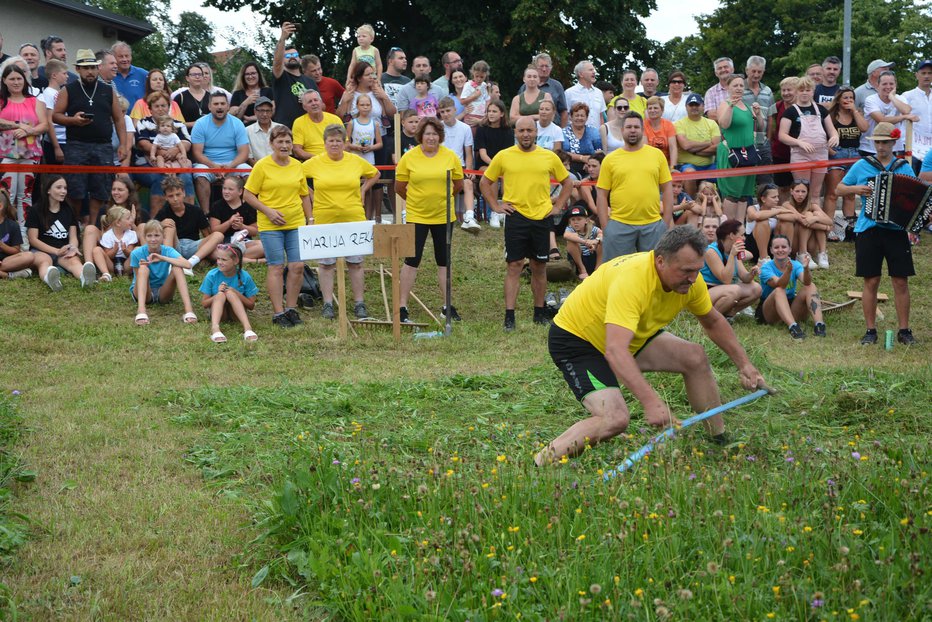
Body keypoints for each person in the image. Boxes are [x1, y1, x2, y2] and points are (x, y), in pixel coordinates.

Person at [537, 225, 766, 465]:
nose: (693, 278)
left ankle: (719, 440)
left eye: (697, 270)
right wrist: (651, 402)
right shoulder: (633, 281)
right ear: (660, 262)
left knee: (694, 356)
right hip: (579, 342)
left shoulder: (691, 280)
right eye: (686, 271)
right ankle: (541, 462)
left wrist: (745, 365)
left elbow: (713, 321)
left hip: (628, 335)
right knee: (615, 419)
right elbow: (615, 351)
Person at [479, 117, 573, 331]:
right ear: (515, 133)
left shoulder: (548, 156)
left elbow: (567, 182)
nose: (526, 134)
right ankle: (509, 317)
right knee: (514, 266)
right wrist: (495, 205)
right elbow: (485, 181)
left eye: (529, 130)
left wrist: (558, 206)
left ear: (536, 132)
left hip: (541, 217)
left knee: (539, 266)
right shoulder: (504, 156)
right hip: (516, 216)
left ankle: (539, 313)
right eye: (521, 130)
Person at [836, 122, 919, 346]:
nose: (881, 147)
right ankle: (870, 330)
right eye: (878, 142)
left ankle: (904, 330)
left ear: (893, 143)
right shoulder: (862, 165)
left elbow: (915, 194)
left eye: (885, 142)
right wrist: (857, 190)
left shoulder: (903, 166)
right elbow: (839, 189)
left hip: (896, 230)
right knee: (871, 280)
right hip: (868, 228)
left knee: (900, 281)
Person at [302, 124, 380, 321]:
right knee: (326, 263)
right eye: (331, 140)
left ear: (345, 142)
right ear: (325, 143)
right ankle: (328, 303)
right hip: (324, 218)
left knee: (355, 262)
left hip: (353, 217)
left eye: (338, 140)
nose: (334, 144)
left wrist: (363, 190)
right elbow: (297, 177)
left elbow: (375, 174)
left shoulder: (355, 160)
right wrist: (310, 194)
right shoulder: (314, 162)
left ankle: (359, 302)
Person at [394, 117, 464, 323]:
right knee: (411, 260)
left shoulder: (450, 157)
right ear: (420, 136)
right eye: (427, 134)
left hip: (444, 216)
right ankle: (402, 306)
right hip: (417, 216)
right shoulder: (409, 157)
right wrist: (416, 201)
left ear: (440, 136)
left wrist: (442, 199)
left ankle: (447, 305)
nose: (431, 137)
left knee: (444, 261)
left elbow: (458, 185)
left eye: (434, 134)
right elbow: (399, 187)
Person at [244, 125, 312, 328]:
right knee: (275, 266)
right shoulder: (262, 166)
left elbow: (304, 194)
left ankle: (291, 308)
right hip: (270, 224)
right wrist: (268, 211)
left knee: (297, 266)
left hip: (295, 222)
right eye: (280, 142)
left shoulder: (297, 165)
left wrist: (310, 219)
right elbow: (248, 195)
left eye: (288, 141)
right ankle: (278, 312)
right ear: (272, 144)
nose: (284, 145)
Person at [52, 49, 128, 226]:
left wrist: (123, 144)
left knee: (100, 190)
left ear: (98, 68)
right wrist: (73, 120)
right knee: (75, 191)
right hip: (76, 145)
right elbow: (56, 115)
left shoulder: (108, 90)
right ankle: (74, 227)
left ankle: (93, 227)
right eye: (85, 68)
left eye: (93, 67)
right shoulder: (68, 90)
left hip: (103, 146)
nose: (90, 72)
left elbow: (119, 119)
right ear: (78, 69)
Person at [597, 112, 673, 260]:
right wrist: (606, 227)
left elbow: (667, 188)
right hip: (619, 224)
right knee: (618, 271)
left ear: (642, 130)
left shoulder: (657, 155)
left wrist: (666, 221)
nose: (632, 130)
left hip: (653, 225)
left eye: (636, 127)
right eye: (629, 127)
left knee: (653, 272)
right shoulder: (610, 159)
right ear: (622, 130)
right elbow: (601, 194)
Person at [25, 175, 96, 290]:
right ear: (48, 190)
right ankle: (50, 279)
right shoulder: (35, 210)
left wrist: (72, 248)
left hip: (63, 250)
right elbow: (33, 239)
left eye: (65, 188)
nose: (63, 191)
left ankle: (85, 278)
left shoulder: (68, 209)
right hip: (41, 250)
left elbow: (73, 236)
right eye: (59, 187)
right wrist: (56, 251)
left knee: (74, 262)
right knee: (45, 261)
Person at [778, 76, 839, 211]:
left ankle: (815, 221)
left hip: (820, 155)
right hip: (800, 155)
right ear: (796, 92)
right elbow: (782, 135)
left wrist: (835, 137)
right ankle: (801, 220)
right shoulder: (791, 111)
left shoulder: (821, 110)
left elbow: (832, 131)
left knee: (816, 193)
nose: (804, 93)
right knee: (801, 191)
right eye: (801, 90)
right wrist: (799, 142)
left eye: (808, 90)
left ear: (813, 91)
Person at [0, 64, 47, 226]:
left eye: (19, 78)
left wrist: (29, 131)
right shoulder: (1, 101)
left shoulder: (35, 101)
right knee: (6, 196)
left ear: (24, 80)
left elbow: (44, 125)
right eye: (12, 79)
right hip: (6, 155)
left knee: (25, 196)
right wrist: (18, 125)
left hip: (30, 155)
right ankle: (4, 233)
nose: (16, 82)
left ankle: (23, 237)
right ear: (4, 80)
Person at [190, 91, 251, 213]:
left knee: (249, 173)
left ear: (228, 106)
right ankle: (206, 215)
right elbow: (197, 153)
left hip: (233, 164)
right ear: (209, 106)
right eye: (216, 103)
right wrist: (214, 166)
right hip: (208, 163)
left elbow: (244, 152)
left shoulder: (237, 123)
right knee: (200, 174)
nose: (219, 106)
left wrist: (229, 166)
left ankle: (248, 212)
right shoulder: (200, 124)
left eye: (223, 103)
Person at [133, 92, 195, 211]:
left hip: (176, 162)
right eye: (156, 106)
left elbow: (187, 143)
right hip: (147, 165)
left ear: (168, 107)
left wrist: (175, 150)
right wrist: (160, 153)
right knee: (160, 178)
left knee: (186, 178)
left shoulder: (178, 124)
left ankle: (189, 216)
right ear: (150, 109)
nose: (160, 109)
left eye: (163, 106)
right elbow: (143, 143)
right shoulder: (143, 123)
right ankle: (156, 219)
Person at [129, 219, 197, 326]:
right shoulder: (137, 253)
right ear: (145, 237)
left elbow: (187, 265)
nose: (153, 239)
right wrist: (145, 266)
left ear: (163, 236)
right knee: (143, 269)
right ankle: (141, 311)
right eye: (149, 236)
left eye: (156, 235)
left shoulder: (167, 250)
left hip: (162, 291)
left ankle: (189, 310)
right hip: (144, 291)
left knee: (177, 268)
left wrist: (162, 258)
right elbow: (138, 277)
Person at [757, 234, 825, 339]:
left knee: (810, 286)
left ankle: (819, 325)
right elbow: (779, 284)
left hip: (790, 305)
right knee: (779, 290)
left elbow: (806, 282)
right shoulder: (766, 268)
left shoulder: (796, 264)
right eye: (776, 247)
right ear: (771, 250)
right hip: (770, 309)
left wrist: (806, 269)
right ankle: (793, 327)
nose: (780, 250)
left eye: (784, 247)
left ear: (790, 250)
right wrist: (788, 271)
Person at [715, 74, 761, 224]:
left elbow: (760, 126)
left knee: (744, 193)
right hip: (731, 153)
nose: (739, 88)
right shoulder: (725, 104)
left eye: (741, 85)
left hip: (748, 154)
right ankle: (729, 226)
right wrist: (730, 107)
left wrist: (759, 114)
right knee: (732, 193)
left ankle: (740, 227)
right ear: (728, 88)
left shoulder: (748, 106)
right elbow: (724, 124)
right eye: (735, 85)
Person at [824, 86, 868, 236]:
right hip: (838, 154)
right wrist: (830, 151)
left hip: (855, 155)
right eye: (845, 98)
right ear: (838, 99)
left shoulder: (857, 113)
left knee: (850, 193)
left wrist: (855, 111)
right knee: (833, 193)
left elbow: (864, 128)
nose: (848, 100)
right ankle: (829, 228)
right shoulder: (831, 115)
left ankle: (849, 228)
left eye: (851, 98)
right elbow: (823, 134)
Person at [155, 176, 223, 270]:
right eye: (171, 196)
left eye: (178, 194)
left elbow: (207, 234)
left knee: (218, 235)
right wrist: (160, 225)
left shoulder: (196, 210)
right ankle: (167, 265)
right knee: (169, 225)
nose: (175, 199)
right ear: (166, 197)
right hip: (175, 246)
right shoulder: (163, 212)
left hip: (193, 245)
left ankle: (191, 262)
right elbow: (151, 231)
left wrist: (209, 245)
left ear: (183, 193)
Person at [700, 218, 761, 320]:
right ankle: (710, 319)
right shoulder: (711, 251)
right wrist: (732, 255)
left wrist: (751, 273)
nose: (744, 238)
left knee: (756, 288)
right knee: (734, 290)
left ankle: (730, 314)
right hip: (707, 291)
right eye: (741, 235)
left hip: (725, 290)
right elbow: (726, 280)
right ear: (732, 235)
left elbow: (744, 278)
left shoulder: (734, 251)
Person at [200, 243, 259, 343]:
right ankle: (215, 329)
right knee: (220, 294)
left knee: (230, 293)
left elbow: (251, 305)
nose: (219, 262)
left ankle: (248, 328)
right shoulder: (211, 275)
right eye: (218, 259)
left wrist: (235, 292)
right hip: (219, 314)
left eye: (224, 259)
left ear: (235, 261)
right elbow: (204, 303)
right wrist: (218, 293)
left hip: (236, 314)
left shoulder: (245, 276)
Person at [82, 174, 144, 265]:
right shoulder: (105, 209)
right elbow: (103, 236)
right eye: (113, 189)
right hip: (108, 251)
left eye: (120, 190)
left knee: (143, 227)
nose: (115, 192)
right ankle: (89, 265)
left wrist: (131, 222)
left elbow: (143, 236)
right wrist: (114, 222)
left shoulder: (139, 211)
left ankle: (149, 262)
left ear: (129, 192)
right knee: (90, 228)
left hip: (130, 255)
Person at [437, 97, 477, 230]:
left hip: (460, 166)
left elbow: (468, 152)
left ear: (454, 110)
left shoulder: (465, 128)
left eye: (448, 110)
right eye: (442, 112)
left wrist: (470, 170)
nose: (446, 114)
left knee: (468, 183)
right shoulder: (438, 128)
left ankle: (469, 216)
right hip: (441, 166)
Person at [271, 23, 318, 127]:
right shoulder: (280, 77)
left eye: (295, 55)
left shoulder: (310, 81)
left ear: (300, 60)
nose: (292, 57)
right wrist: (282, 39)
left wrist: (309, 101)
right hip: (285, 130)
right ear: (283, 60)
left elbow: (321, 106)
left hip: (308, 129)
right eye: (287, 55)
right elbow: (277, 63)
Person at [346, 93, 383, 222]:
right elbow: (346, 142)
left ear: (371, 106)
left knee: (369, 188)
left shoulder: (375, 124)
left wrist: (370, 148)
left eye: (367, 105)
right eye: (362, 105)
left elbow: (379, 143)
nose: (365, 107)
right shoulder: (352, 123)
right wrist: (355, 147)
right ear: (357, 106)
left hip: (369, 158)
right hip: (356, 158)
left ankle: (368, 217)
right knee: (355, 186)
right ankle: (356, 216)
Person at [861, 71, 916, 156]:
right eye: (884, 84)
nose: (888, 87)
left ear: (896, 85)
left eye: (891, 84)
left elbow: (906, 110)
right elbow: (882, 120)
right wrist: (904, 117)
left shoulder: (899, 98)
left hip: (893, 147)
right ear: (878, 85)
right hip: (871, 148)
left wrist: (891, 97)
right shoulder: (871, 100)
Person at [675, 93, 720, 196]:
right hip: (687, 165)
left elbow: (716, 147)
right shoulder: (678, 124)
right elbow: (685, 145)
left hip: (710, 165)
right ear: (686, 107)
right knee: (690, 173)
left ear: (703, 106)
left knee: (727, 172)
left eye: (697, 105)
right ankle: (691, 204)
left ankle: (723, 205)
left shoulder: (712, 123)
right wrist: (708, 143)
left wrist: (693, 151)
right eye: (691, 105)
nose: (694, 107)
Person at [209, 176, 263, 261]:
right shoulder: (217, 206)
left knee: (264, 246)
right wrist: (229, 222)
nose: (226, 192)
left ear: (240, 191)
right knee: (212, 252)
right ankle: (252, 260)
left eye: (230, 189)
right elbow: (214, 231)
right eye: (224, 188)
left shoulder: (248, 206)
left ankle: (234, 258)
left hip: (244, 242)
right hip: (224, 243)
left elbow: (255, 232)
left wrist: (242, 226)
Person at [782, 180, 832, 268]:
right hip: (794, 243)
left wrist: (816, 218)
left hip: (810, 244)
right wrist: (825, 227)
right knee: (808, 215)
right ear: (791, 192)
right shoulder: (787, 204)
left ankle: (822, 253)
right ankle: (802, 254)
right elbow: (802, 220)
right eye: (797, 191)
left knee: (817, 214)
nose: (800, 194)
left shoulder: (812, 205)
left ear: (808, 193)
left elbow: (830, 221)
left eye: (803, 191)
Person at [742, 56, 774, 184]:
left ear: (763, 71)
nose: (756, 75)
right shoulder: (739, 89)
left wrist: (769, 138)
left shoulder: (767, 91)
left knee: (766, 182)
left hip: (763, 141)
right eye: (753, 71)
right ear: (746, 70)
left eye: (759, 72)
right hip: (744, 141)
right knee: (745, 181)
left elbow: (771, 117)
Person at [769, 76, 799, 202]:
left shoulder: (805, 106)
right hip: (781, 153)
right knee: (783, 188)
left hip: (801, 154)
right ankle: (783, 215)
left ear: (797, 90)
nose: (786, 93)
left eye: (789, 90)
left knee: (800, 187)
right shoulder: (776, 107)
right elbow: (770, 131)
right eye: (783, 90)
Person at [91, 205, 138, 281]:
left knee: (137, 250)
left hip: (126, 264)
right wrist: (114, 250)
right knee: (97, 250)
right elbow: (107, 255)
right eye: (128, 218)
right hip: (112, 265)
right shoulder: (108, 235)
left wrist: (125, 250)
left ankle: (134, 273)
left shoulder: (131, 234)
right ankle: (106, 274)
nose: (132, 220)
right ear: (118, 223)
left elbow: (131, 253)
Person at [292, 90, 342, 160]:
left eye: (316, 100)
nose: (314, 103)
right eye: (310, 101)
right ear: (304, 107)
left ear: (321, 103)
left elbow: (345, 143)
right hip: (311, 161)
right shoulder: (299, 122)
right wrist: (318, 159)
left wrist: (333, 156)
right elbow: (297, 150)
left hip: (335, 158)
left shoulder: (335, 120)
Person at [519, 53, 567, 126]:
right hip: (528, 129)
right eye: (541, 66)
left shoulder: (557, 86)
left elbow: (563, 111)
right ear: (535, 68)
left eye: (547, 66)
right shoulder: (525, 87)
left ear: (551, 68)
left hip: (552, 130)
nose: (544, 69)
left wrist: (563, 131)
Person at [903, 60, 932, 174]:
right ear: (916, 75)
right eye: (923, 73)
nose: (926, 76)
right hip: (914, 148)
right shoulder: (908, 95)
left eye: (930, 73)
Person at [0, 188, 32, 279]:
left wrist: (2, 246)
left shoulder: (13, 225)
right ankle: (10, 275)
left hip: (6, 261)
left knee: (29, 256)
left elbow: (16, 251)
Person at [563, 204, 602, 279]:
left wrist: (595, 241)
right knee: (571, 242)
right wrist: (585, 242)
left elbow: (602, 234)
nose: (575, 222)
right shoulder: (570, 229)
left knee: (602, 241)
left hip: (592, 257)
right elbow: (566, 235)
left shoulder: (592, 228)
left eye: (579, 219)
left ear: (586, 220)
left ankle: (598, 269)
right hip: (578, 259)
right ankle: (582, 270)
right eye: (573, 220)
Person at [562, 102, 602, 174]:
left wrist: (589, 164)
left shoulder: (593, 131)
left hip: (591, 168)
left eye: (582, 116)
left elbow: (599, 153)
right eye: (576, 115)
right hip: (569, 168)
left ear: (586, 117)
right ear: (571, 117)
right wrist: (582, 158)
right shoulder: (564, 132)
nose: (579, 118)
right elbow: (564, 153)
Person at [229, 61, 273, 126]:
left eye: (253, 73)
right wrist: (245, 103)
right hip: (244, 130)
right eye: (247, 74)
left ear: (258, 74)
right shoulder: (237, 94)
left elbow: (273, 111)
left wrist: (251, 118)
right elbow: (235, 118)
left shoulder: (268, 91)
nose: (250, 76)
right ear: (243, 76)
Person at [564, 61, 605, 128]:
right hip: (576, 136)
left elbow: (601, 116)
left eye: (594, 69)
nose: (594, 72)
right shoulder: (569, 93)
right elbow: (565, 116)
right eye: (590, 70)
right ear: (581, 74)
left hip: (596, 136)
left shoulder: (599, 93)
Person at [245, 96, 282, 164]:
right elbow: (249, 158)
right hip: (258, 168)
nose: (265, 114)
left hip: (280, 167)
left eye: (268, 111)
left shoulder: (281, 128)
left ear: (271, 112)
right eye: (261, 111)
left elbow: (286, 153)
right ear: (255, 112)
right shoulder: (247, 131)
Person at [643, 96, 677, 169]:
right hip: (649, 164)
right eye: (650, 108)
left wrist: (673, 167)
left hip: (666, 164)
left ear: (662, 110)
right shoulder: (643, 125)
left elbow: (673, 147)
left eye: (655, 108)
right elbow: (645, 148)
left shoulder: (669, 125)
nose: (652, 110)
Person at [173, 63, 210, 130]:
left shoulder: (211, 97)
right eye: (193, 75)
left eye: (199, 74)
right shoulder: (180, 98)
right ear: (187, 78)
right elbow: (174, 123)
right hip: (188, 137)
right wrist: (196, 123)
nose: (197, 77)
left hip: (209, 136)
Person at [110, 41, 147, 106]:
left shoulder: (143, 74)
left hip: (139, 116)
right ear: (114, 58)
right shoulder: (109, 75)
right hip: (115, 116)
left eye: (127, 56)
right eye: (121, 56)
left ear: (131, 56)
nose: (125, 59)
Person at [459, 61, 490, 128]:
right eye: (477, 76)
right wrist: (474, 96)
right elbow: (462, 101)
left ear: (486, 75)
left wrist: (487, 112)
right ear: (473, 73)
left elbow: (487, 100)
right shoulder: (468, 85)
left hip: (482, 116)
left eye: (482, 77)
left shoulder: (484, 85)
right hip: (471, 115)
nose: (479, 79)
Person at [704, 57, 734, 121]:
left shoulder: (742, 88)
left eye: (726, 67)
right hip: (720, 130)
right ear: (716, 73)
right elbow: (712, 116)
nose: (723, 70)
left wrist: (721, 113)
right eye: (719, 68)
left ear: (732, 70)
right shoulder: (711, 92)